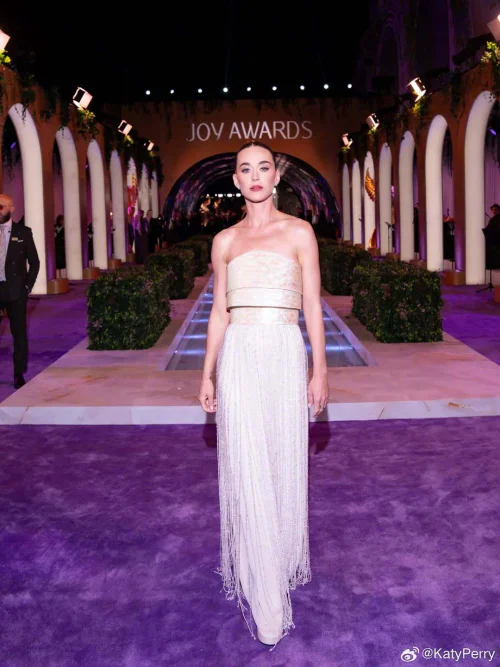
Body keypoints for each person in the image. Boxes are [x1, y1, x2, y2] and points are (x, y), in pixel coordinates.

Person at [197, 141, 329, 648]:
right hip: (239, 358)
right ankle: (263, 586)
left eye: (264, 167)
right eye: (245, 169)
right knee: (246, 461)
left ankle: (274, 559)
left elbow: (312, 306)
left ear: (276, 177)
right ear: (236, 179)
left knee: (278, 461)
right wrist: (207, 373)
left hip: (283, 354)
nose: (255, 175)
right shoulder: (224, 241)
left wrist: (320, 369)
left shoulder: (299, 232)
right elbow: (218, 312)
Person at [0, 194, 40, 389]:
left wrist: (27, 286)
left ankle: (18, 373)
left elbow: (35, 262)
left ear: (11, 208)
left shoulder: (23, 232)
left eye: (1, 207)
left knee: (19, 333)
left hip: (16, 291)